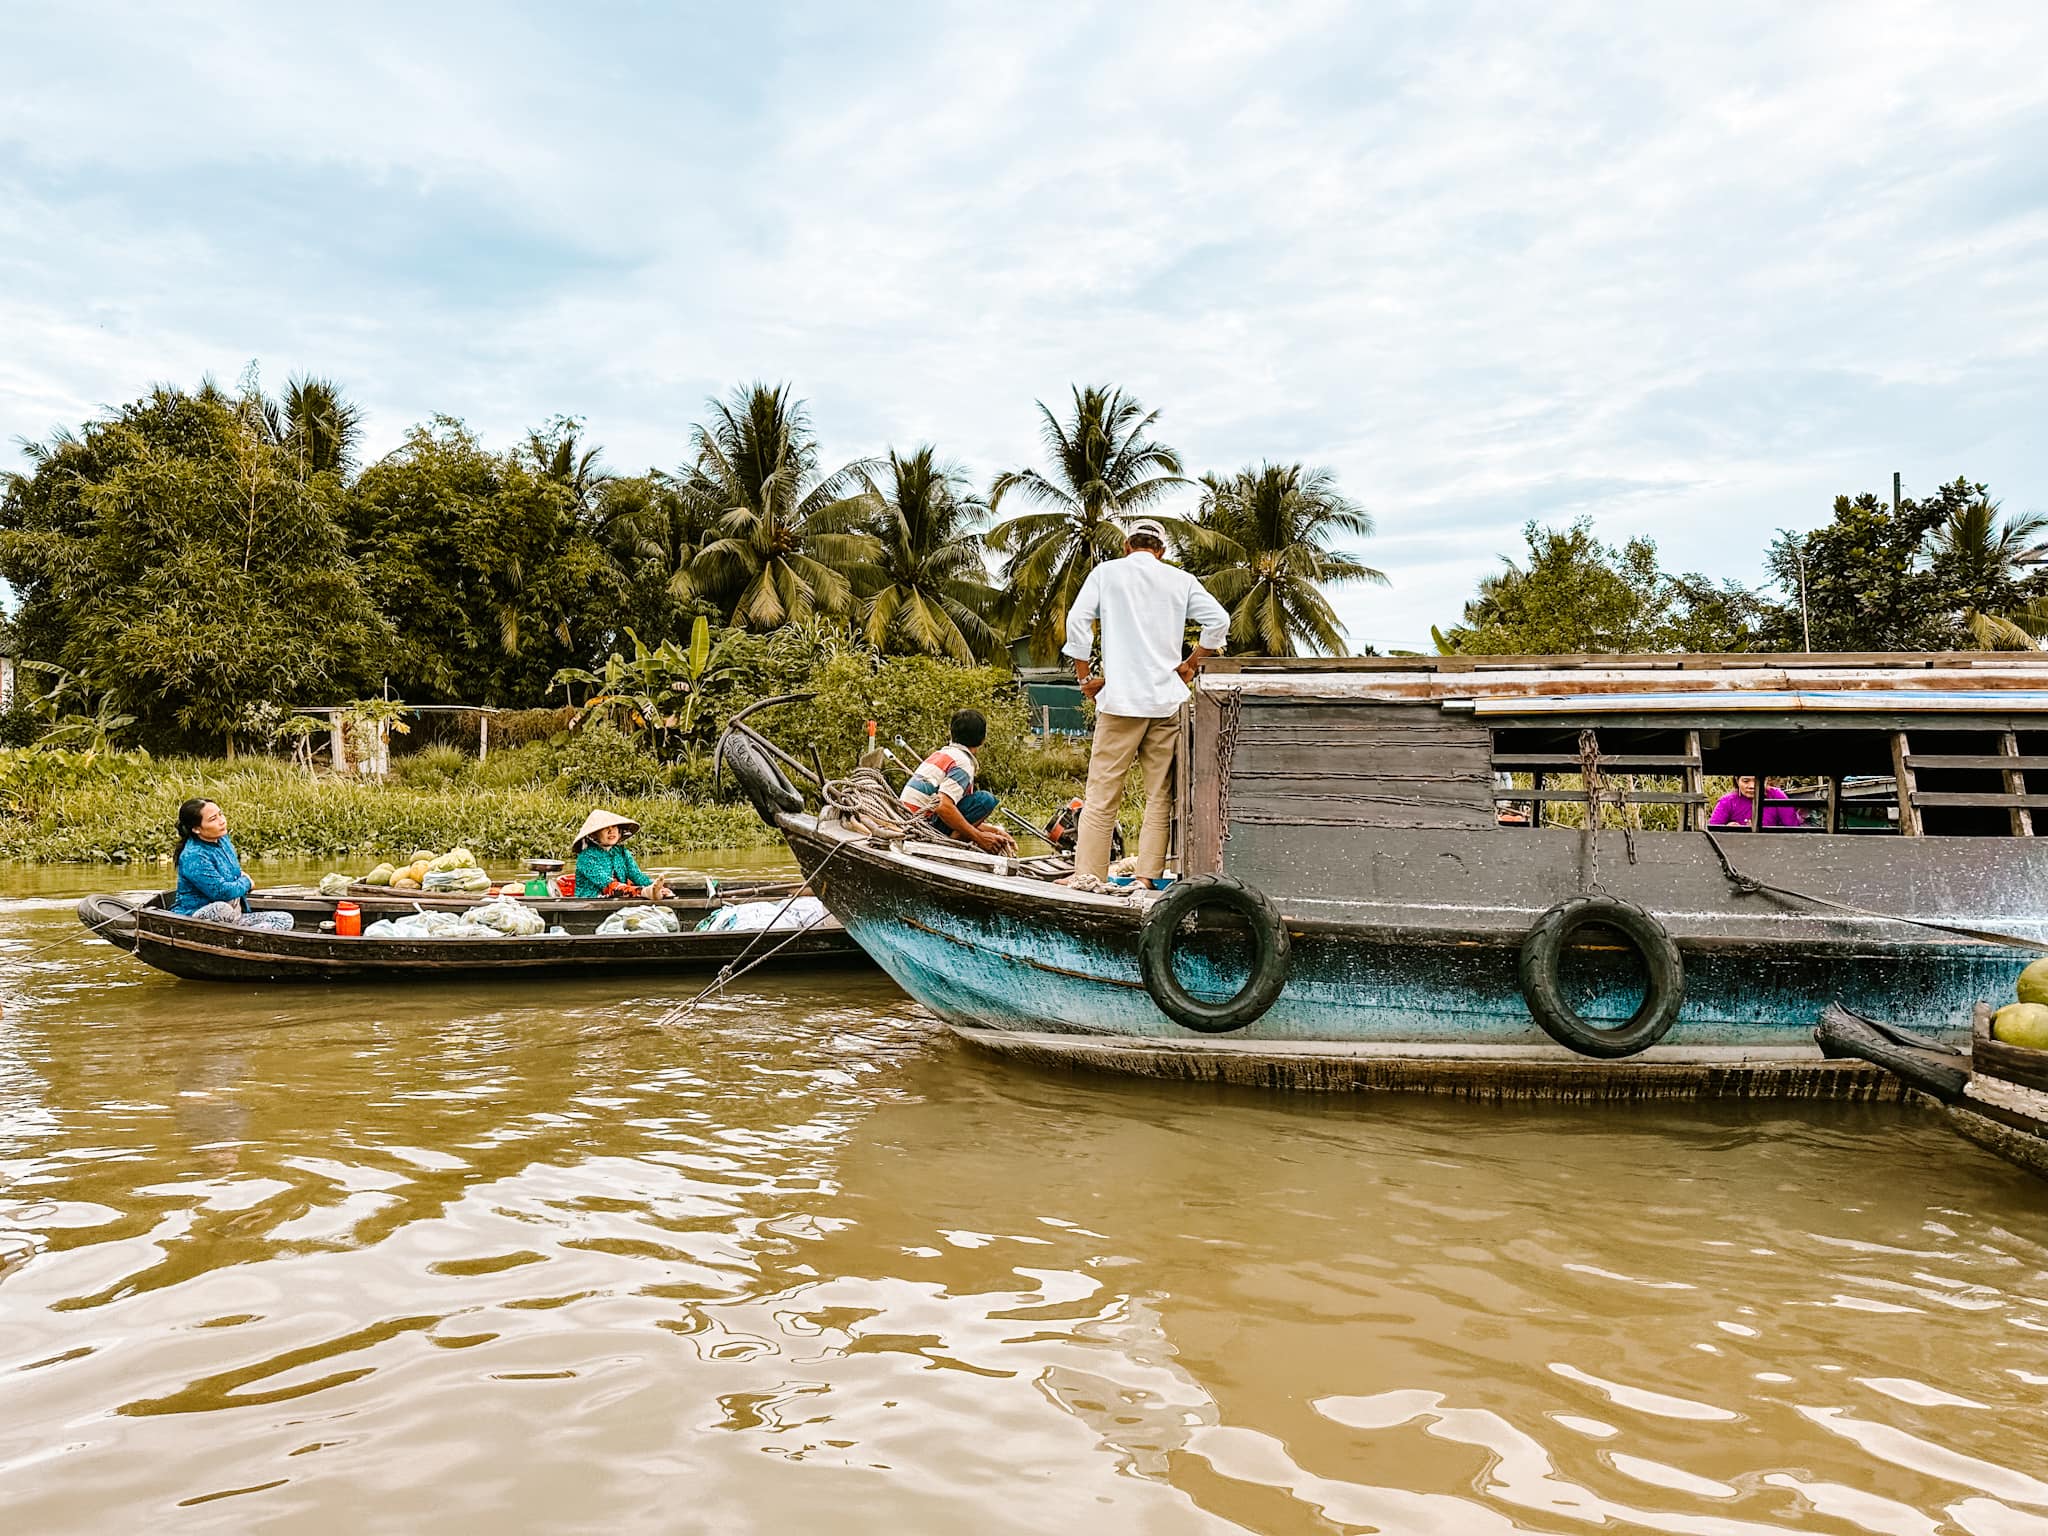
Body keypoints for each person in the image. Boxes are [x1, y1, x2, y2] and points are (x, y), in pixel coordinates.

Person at [1061, 518, 1231, 885]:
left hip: (1119, 702)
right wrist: (1190, 664)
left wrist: (1084, 677)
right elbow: (1219, 620)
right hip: (1165, 702)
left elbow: (1077, 621)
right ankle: (1146, 878)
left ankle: (1089, 875)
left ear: (1126, 546)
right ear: (1162, 551)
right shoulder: (1180, 580)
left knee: (1102, 794)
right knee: (1159, 796)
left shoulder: (1106, 574)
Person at [900, 709, 1015, 855]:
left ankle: (952, 842)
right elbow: (943, 806)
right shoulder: (963, 763)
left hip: (908, 821)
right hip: (921, 827)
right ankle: (949, 847)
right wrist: (979, 838)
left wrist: (996, 831)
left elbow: (957, 819)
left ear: (952, 734)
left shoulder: (942, 754)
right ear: (982, 739)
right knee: (985, 800)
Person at [170, 799, 295, 931]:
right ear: (196, 829)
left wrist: (240, 881)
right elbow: (222, 892)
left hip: (234, 917)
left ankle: (246, 937)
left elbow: (235, 875)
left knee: (284, 919)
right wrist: (246, 882)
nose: (222, 820)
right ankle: (245, 937)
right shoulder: (194, 855)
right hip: (197, 916)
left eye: (221, 814)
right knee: (222, 908)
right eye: (213, 819)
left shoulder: (222, 839)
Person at [572, 809, 671, 898]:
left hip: (619, 897)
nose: (611, 831)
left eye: (614, 826)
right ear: (593, 834)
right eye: (605, 828)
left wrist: (656, 888)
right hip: (592, 902)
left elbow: (637, 876)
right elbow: (608, 885)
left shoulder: (622, 852)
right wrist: (642, 892)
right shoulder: (586, 857)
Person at [1708, 775, 1805, 829]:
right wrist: (1727, 829)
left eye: (1757, 781)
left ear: (1766, 780)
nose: (1751, 786)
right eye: (1746, 781)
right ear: (1737, 781)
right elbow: (1712, 830)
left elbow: (1793, 827)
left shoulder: (1777, 796)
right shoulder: (1727, 801)